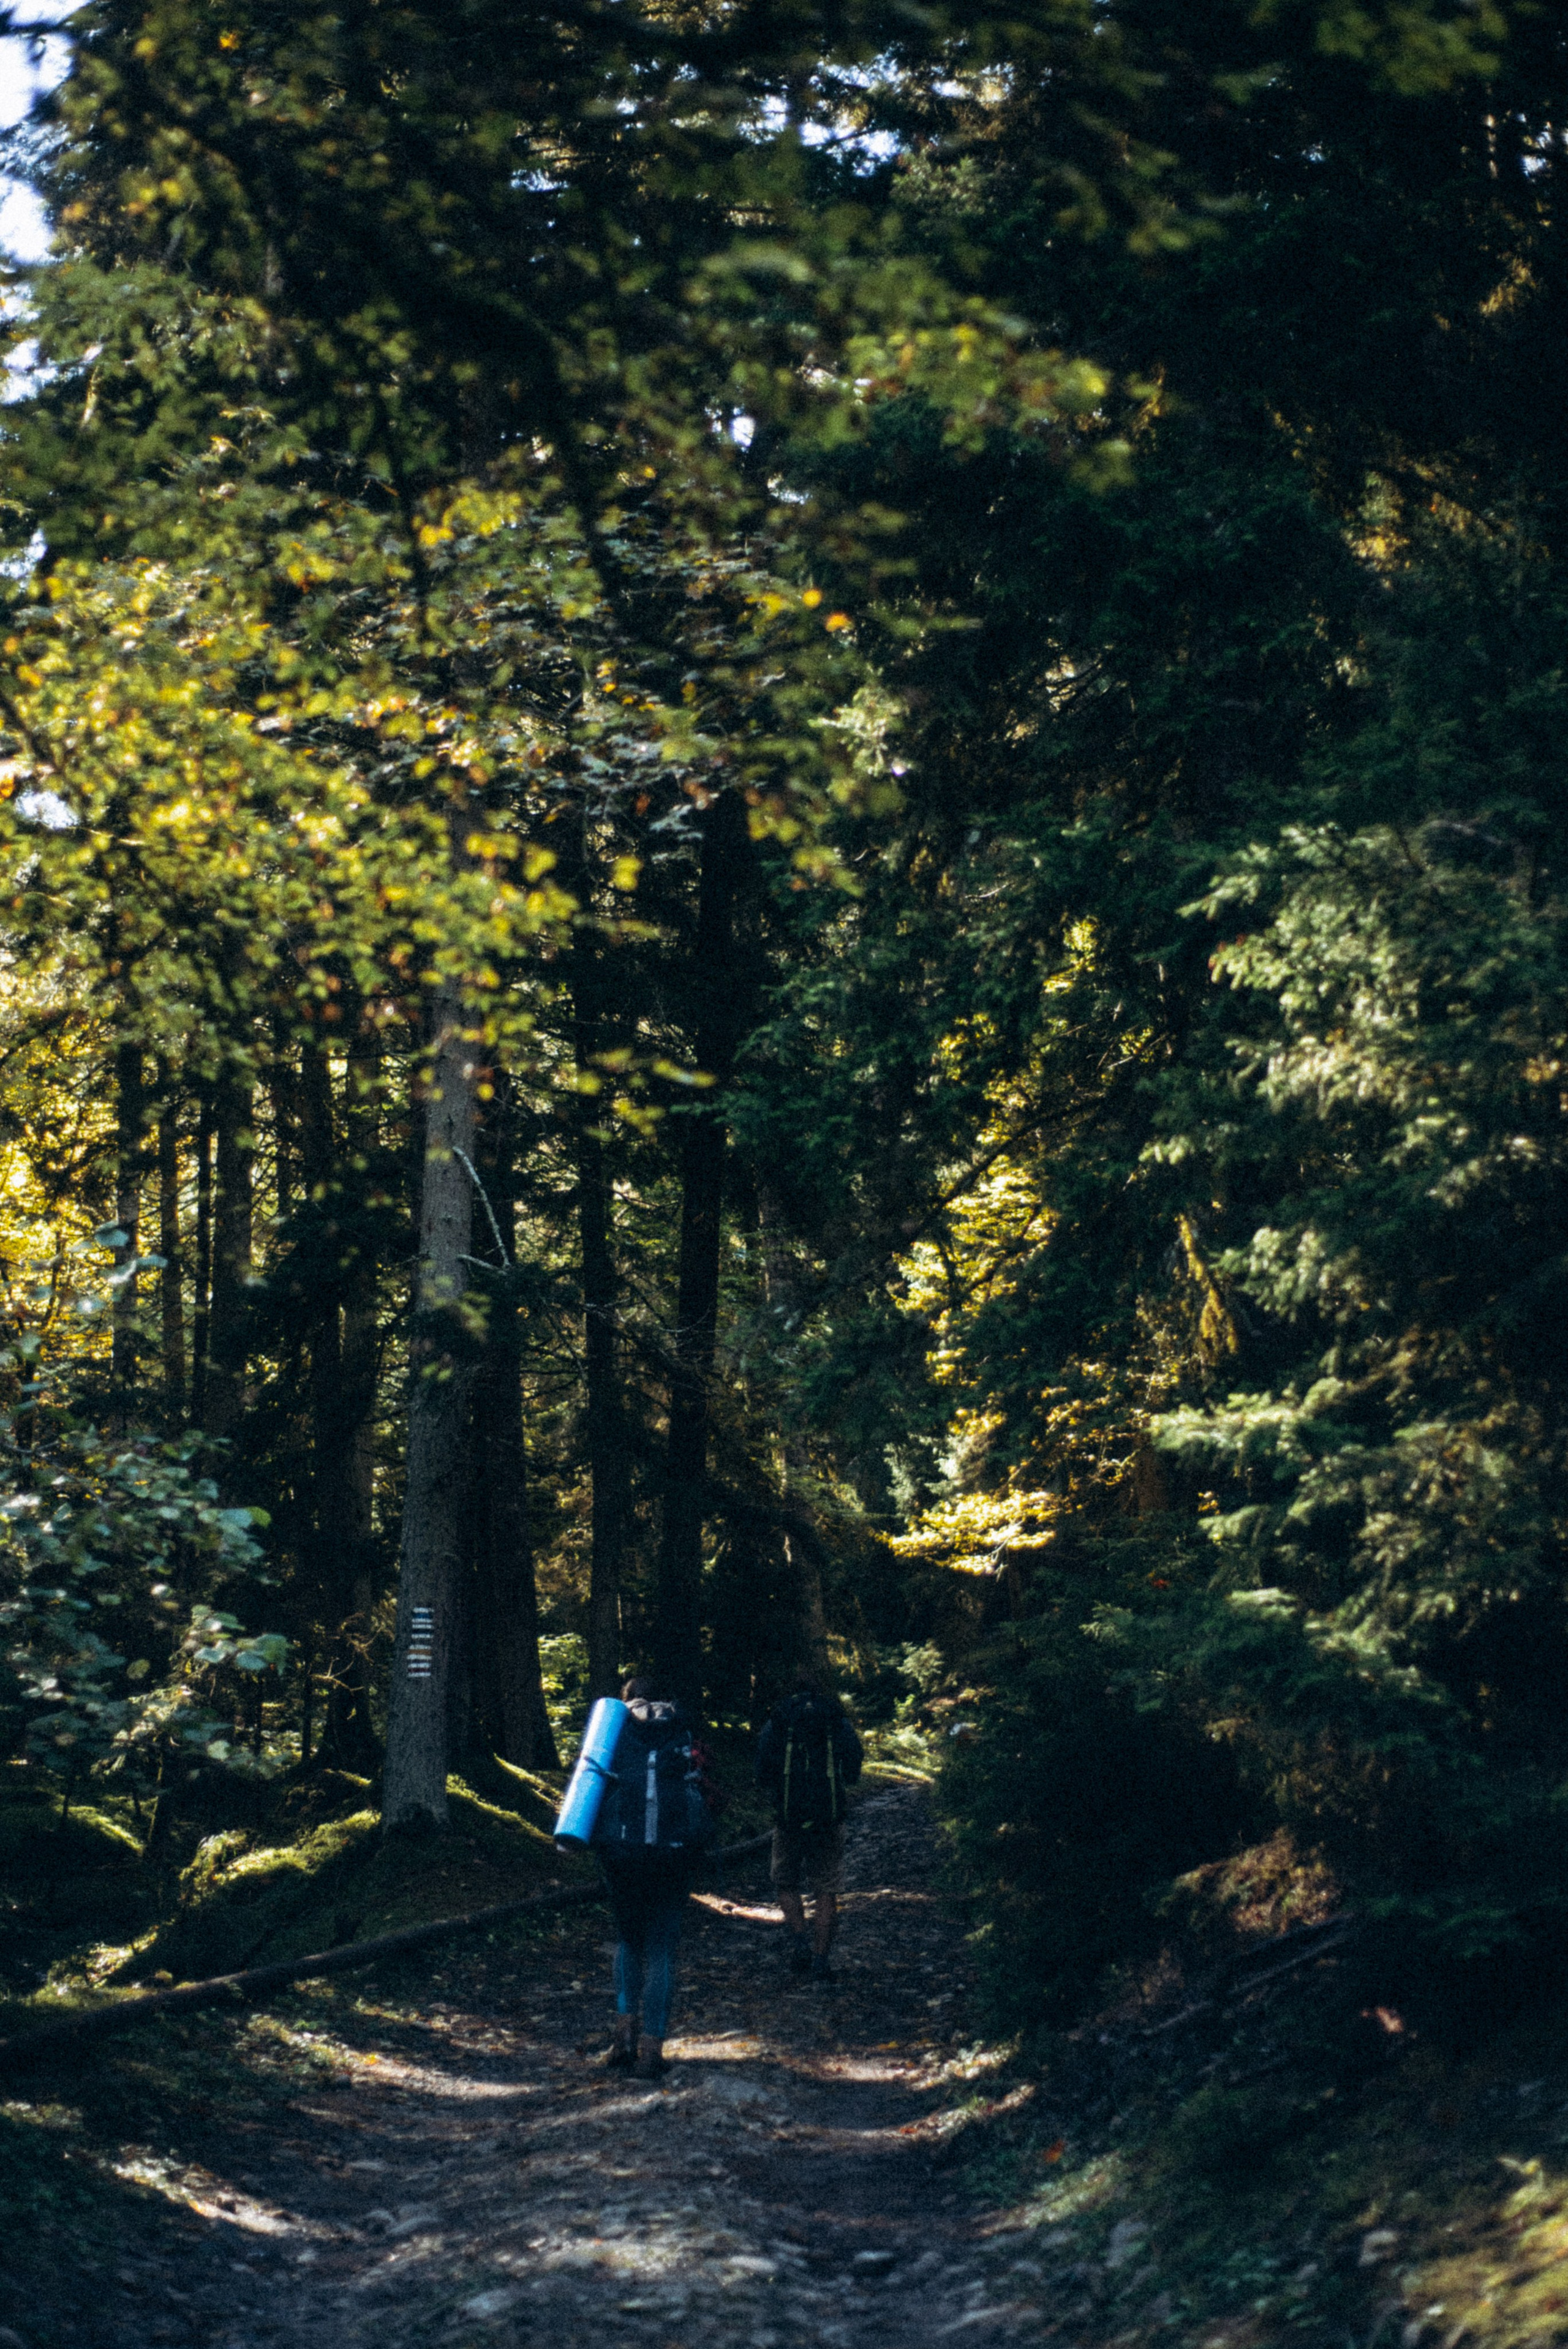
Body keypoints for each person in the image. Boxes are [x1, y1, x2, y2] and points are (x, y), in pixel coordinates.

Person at [592, 1676, 717, 2080]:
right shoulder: (682, 1727)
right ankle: (651, 2050)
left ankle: (622, 2040)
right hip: (674, 1853)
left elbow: (590, 1782)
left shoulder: (612, 1729)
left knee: (629, 1941)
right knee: (661, 1948)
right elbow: (709, 1785)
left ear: (626, 1700)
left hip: (622, 1853)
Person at [756, 1674, 863, 1982]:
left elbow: (763, 1768)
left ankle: (800, 1939)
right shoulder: (834, 1718)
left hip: (788, 1817)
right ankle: (820, 1959)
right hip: (829, 1816)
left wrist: (777, 1792)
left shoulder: (779, 1719)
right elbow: (854, 1761)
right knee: (826, 1887)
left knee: (785, 1881)